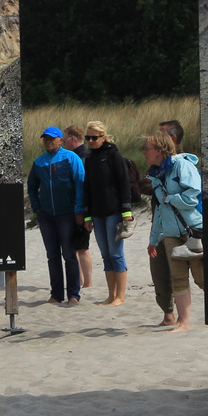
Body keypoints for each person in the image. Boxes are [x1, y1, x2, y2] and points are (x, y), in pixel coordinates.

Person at [144, 132, 204, 332]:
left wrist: (170, 199)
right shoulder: (155, 174)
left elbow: (193, 196)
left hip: (193, 229)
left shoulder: (182, 165)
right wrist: (154, 239)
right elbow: (160, 211)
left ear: (159, 151)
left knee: (202, 277)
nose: (144, 152)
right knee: (177, 278)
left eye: (147, 149)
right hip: (170, 232)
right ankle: (183, 323)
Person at [27, 126, 85, 305]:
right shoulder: (39, 162)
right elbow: (31, 187)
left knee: (69, 254)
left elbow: (80, 184)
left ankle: (74, 295)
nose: (49, 141)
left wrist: (79, 210)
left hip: (67, 214)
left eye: (52, 138)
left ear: (60, 139)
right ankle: (56, 294)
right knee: (52, 256)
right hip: (46, 216)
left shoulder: (71, 158)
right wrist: (37, 208)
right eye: (45, 139)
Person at [81, 121, 133, 306]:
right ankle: (111, 295)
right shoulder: (89, 158)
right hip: (97, 213)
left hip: (114, 212)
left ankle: (121, 296)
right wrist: (87, 215)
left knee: (116, 253)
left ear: (103, 137)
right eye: (88, 137)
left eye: (94, 137)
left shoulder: (113, 154)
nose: (91, 141)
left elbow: (124, 182)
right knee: (106, 255)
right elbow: (87, 187)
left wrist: (126, 211)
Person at [61, 126, 93, 290]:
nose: (62, 143)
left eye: (64, 139)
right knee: (75, 247)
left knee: (81, 247)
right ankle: (81, 281)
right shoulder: (79, 156)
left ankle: (87, 282)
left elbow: (83, 186)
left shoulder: (82, 157)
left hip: (81, 208)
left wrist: (83, 211)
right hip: (76, 207)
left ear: (73, 139)